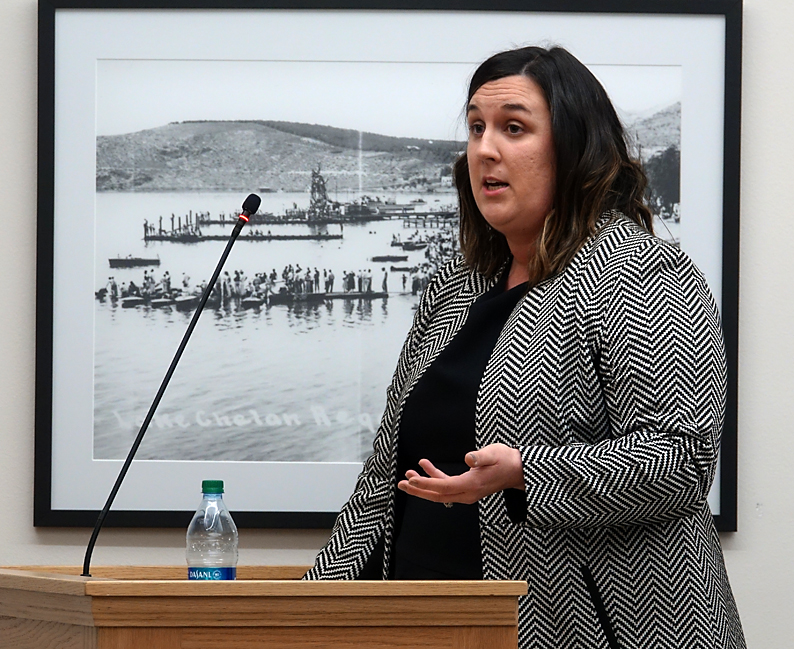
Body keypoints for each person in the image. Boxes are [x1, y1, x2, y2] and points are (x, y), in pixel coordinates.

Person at [304, 45, 745, 648]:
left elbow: (683, 462)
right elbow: (382, 483)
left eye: (514, 128)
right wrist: (308, 609)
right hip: (425, 627)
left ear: (574, 148)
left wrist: (524, 473)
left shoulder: (642, 270)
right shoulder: (452, 289)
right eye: (476, 128)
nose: (485, 149)